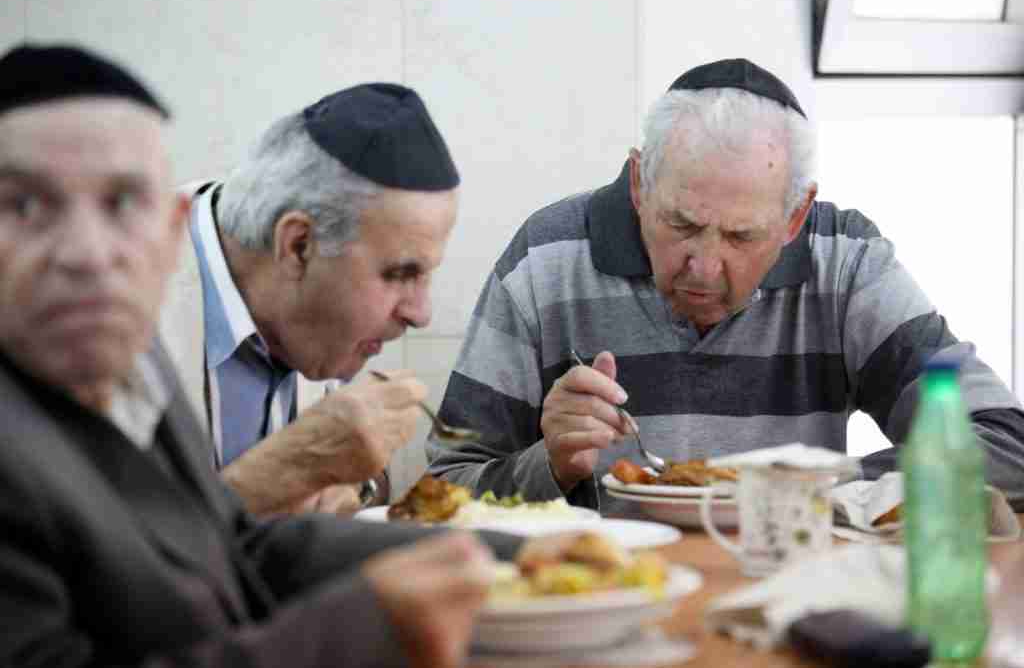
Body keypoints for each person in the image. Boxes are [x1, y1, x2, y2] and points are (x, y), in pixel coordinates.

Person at [0, 43, 519, 668]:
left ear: (170, 230)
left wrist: (505, 557)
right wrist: (362, 627)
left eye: (124, 203)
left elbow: (230, 546)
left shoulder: (121, 350)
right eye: (23, 204)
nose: (89, 254)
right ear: (295, 245)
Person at [426, 58, 1024, 514]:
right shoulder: (546, 259)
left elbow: (1005, 447)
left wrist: (805, 485)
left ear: (795, 219)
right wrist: (549, 466)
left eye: (741, 237)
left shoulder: (845, 261)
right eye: (681, 225)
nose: (704, 267)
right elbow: (439, 496)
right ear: (640, 185)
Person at [159, 81, 462, 514]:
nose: (421, 314)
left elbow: (350, 481)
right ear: (299, 246)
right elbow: (90, 559)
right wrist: (285, 472)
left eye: (426, 275)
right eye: (400, 273)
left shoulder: (309, 315)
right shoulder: (116, 309)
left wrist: (358, 487)